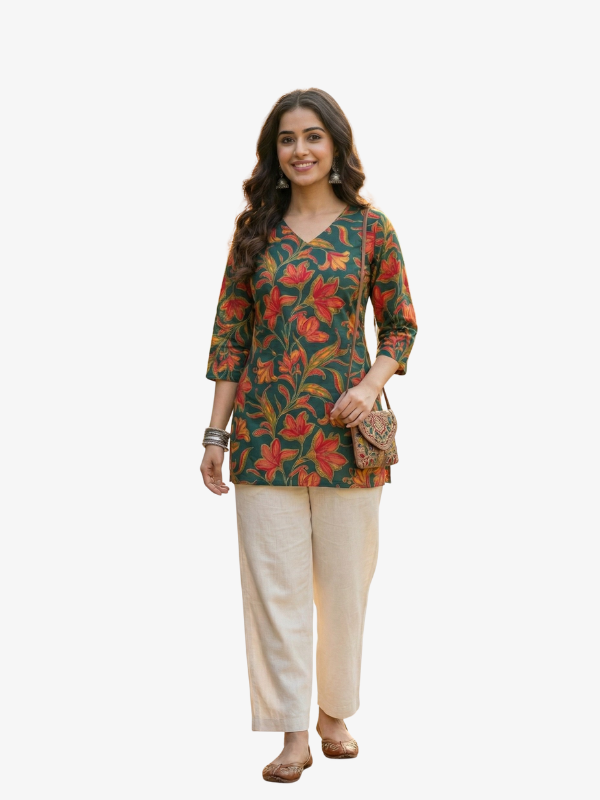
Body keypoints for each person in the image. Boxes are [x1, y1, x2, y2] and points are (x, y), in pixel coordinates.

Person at [200, 88, 418, 783]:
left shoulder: (371, 229)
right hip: (263, 435)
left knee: (345, 588)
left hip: (347, 440)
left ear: (336, 145)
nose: (300, 150)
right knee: (275, 590)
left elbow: (401, 325)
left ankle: (335, 715)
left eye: (313, 136)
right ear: (274, 151)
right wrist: (214, 435)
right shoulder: (255, 231)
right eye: (287, 138)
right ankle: (293, 731)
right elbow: (230, 336)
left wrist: (370, 385)